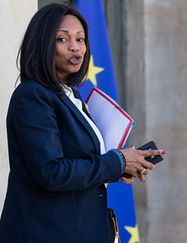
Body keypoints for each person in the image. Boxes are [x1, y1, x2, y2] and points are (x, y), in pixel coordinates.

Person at [0, 3, 164, 243]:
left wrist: (123, 166)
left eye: (81, 39)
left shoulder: (71, 95)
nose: (75, 47)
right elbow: (52, 172)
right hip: (45, 233)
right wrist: (116, 161)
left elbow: (77, 162)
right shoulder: (33, 96)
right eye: (62, 39)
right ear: (43, 43)